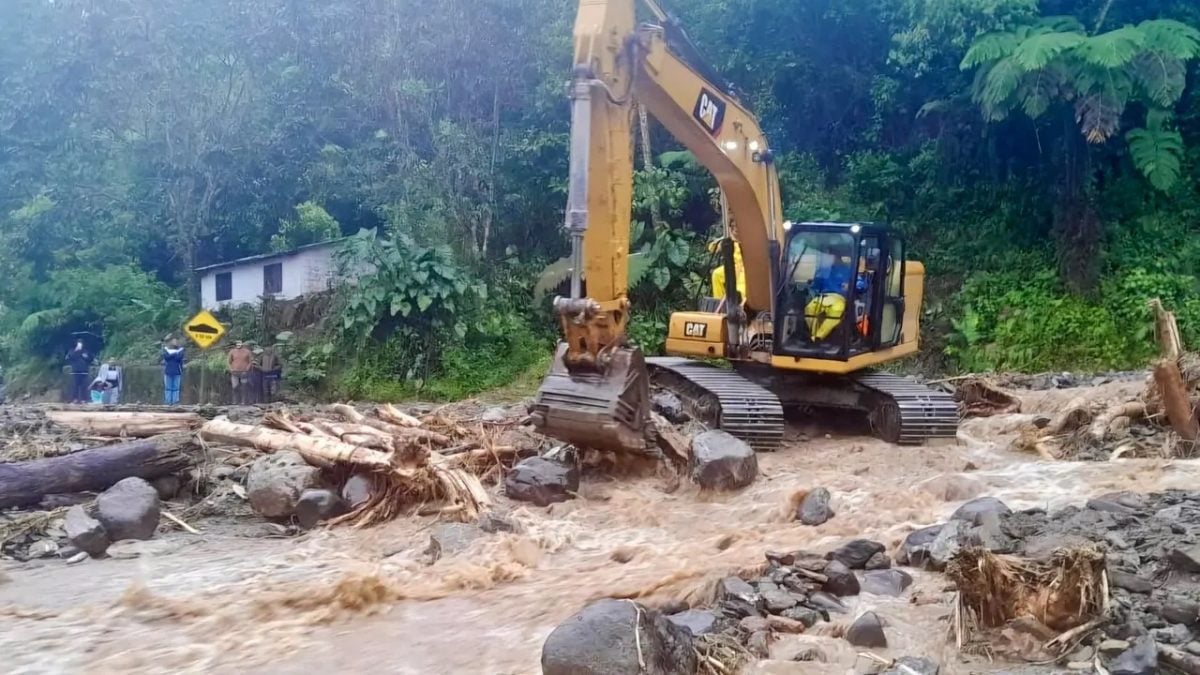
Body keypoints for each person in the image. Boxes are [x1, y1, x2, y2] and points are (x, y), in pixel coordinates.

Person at [227, 340, 254, 405]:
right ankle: (235, 401)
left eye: (240, 344)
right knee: (235, 387)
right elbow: (229, 361)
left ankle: (243, 401)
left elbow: (250, 361)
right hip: (235, 372)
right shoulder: (232, 351)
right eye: (237, 344)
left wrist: (247, 369)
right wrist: (231, 369)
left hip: (244, 372)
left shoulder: (247, 352)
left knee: (244, 387)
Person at [162, 338, 186, 405]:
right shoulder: (166, 350)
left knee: (176, 388)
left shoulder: (181, 350)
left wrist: (172, 355)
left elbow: (179, 357)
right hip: (168, 371)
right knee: (168, 388)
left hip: (177, 371)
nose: (174, 342)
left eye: (175, 341)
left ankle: (175, 401)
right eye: (173, 341)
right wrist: (174, 355)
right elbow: (166, 357)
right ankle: (168, 401)